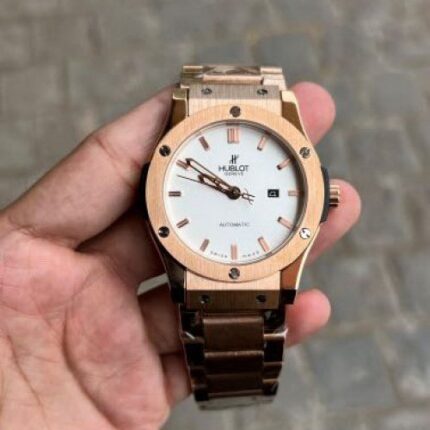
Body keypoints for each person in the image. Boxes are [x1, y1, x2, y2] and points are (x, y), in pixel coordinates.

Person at [0, 82, 361, 430]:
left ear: (321, 196)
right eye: (231, 191)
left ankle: (238, 386)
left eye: (235, 192)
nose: (234, 193)